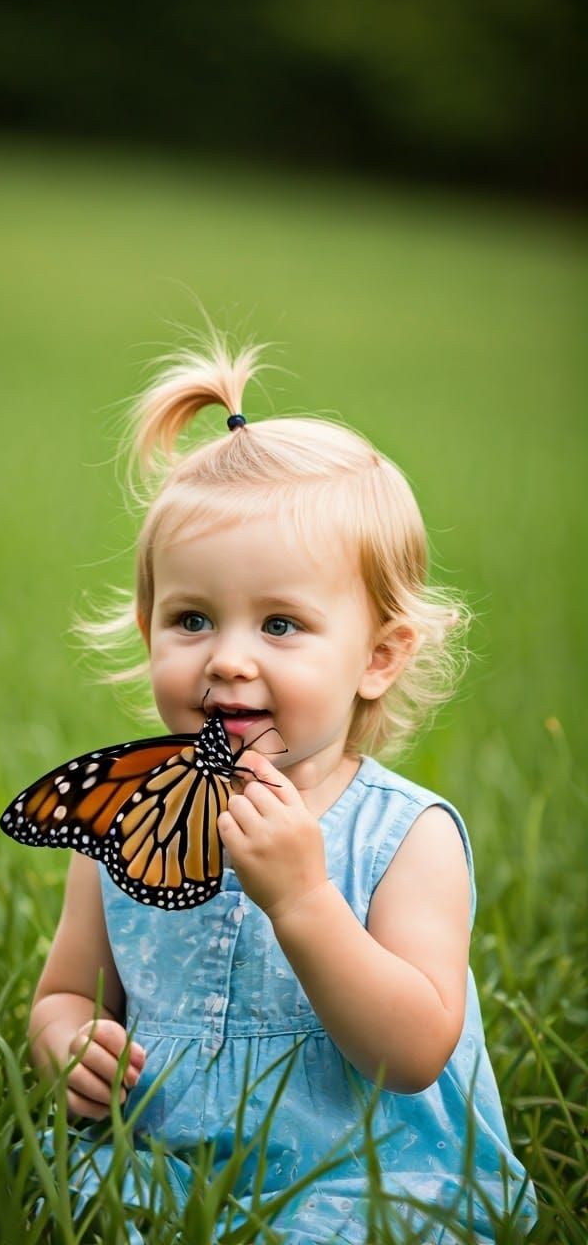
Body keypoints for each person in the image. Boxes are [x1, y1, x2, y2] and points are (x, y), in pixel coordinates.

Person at [28, 334, 537, 1243]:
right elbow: (68, 993)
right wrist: (69, 1045)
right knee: (81, 1210)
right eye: (191, 619)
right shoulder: (123, 822)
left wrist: (305, 898)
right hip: (164, 1160)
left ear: (377, 657)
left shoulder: (405, 838)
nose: (227, 658)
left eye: (281, 624)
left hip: (367, 1170)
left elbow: (416, 1052)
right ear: (148, 631)